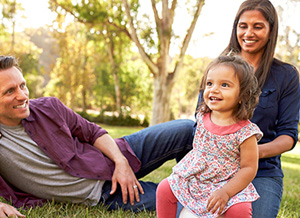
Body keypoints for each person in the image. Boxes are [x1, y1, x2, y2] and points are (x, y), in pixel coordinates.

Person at [0, 55, 194, 217]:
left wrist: (121, 162)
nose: (22, 96)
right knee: (186, 204)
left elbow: (92, 132)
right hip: (104, 193)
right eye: (10, 91)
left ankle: (205, 178)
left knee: (186, 129)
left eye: (22, 86)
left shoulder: (48, 107)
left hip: (113, 155)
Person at [194, 1, 300, 217]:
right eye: (243, 26)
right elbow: (202, 114)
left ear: (271, 31)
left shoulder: (287, 76)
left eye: (257, 26)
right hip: (212, 167)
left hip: (262, 171)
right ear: (236, 29)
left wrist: (249, 153)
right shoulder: (218, 67)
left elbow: (289, 136)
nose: (248, 33)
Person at [156, 54, 263, 218]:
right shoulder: (202, 116)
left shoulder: (246, 132)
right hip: (197, 178)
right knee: (164, 188)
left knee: (240, 210)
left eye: (225, 85)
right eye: (209, 83)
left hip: (227, 183)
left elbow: (249, 168)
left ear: (243, 96)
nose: (214, 89)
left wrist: (226, 192)